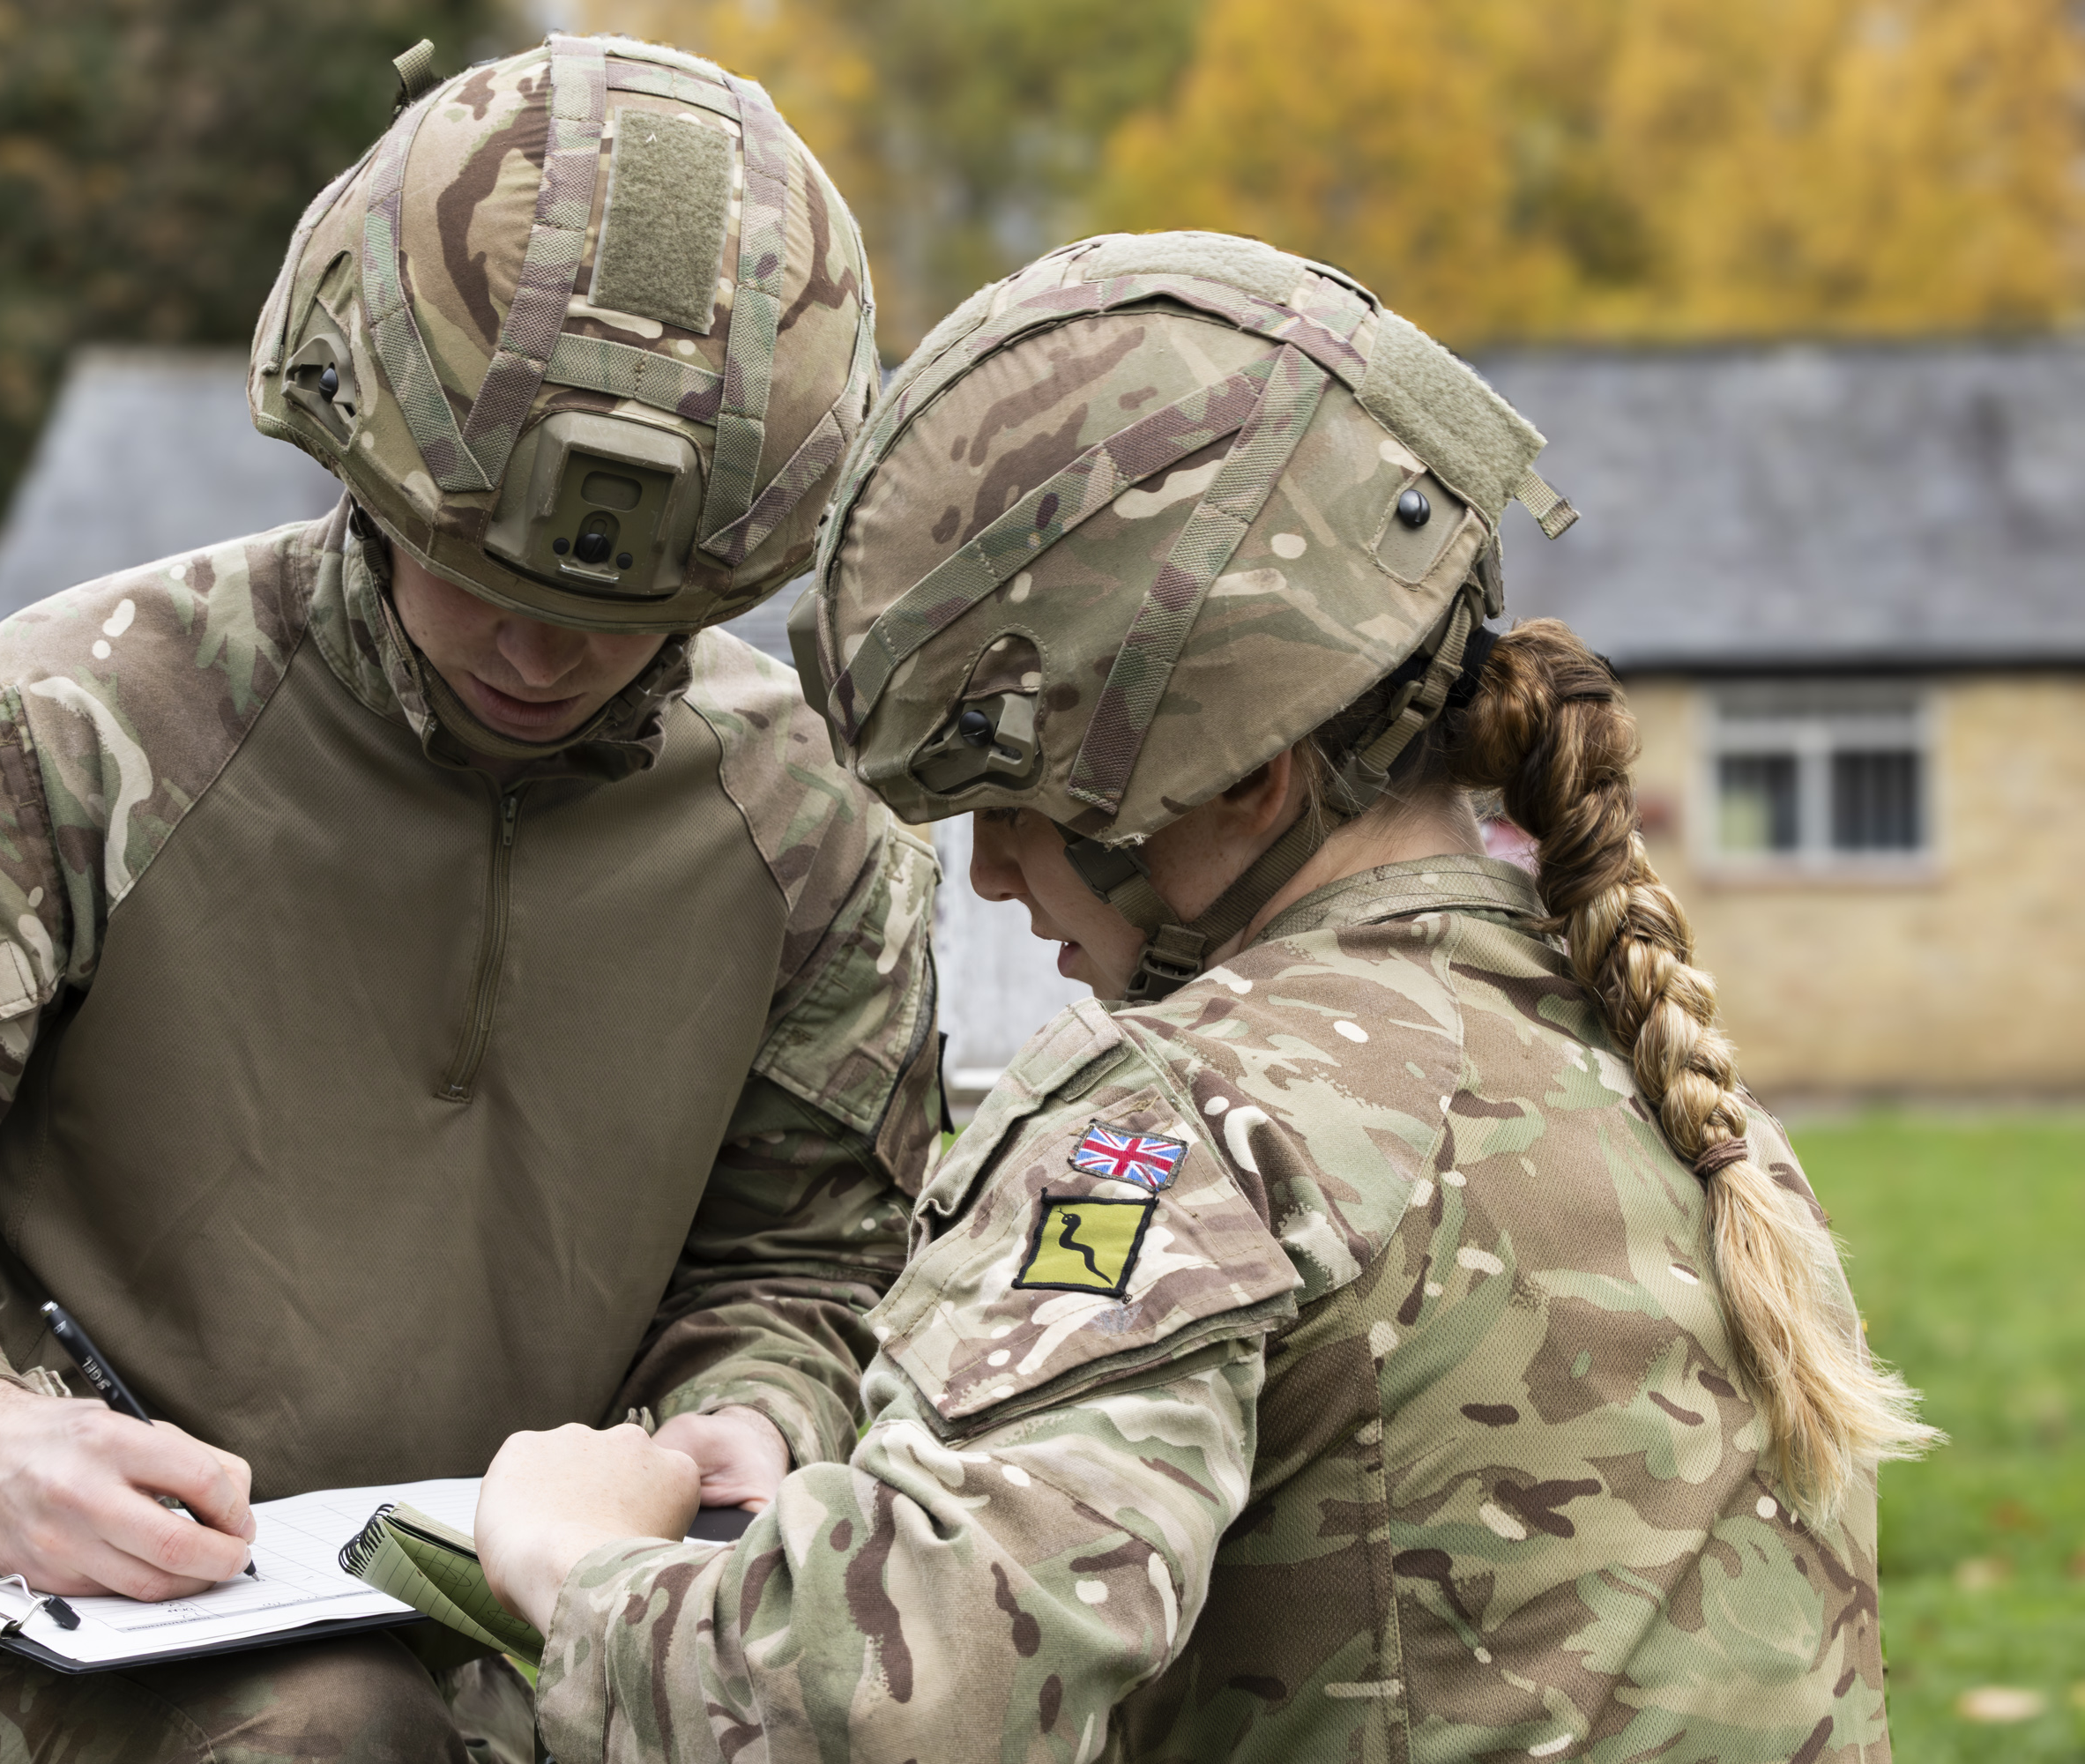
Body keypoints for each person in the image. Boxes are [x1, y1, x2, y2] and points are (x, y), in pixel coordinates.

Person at [0, 33, 942, 1764]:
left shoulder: (814, 835)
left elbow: (804, 1259)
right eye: (476, 567)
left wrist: (750, 1411)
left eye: (626, 607)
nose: (540, 650)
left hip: (522, 1615)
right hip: (7, 1603)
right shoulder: (79, 728)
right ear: (358, 445)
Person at [473, 231, 1934, 1764]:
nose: (990, 876)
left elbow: (879, 1715)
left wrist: (572, 1558)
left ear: (1241, 775)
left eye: (1016, 802)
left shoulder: (1200, 1122)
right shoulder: (1633, 1051)